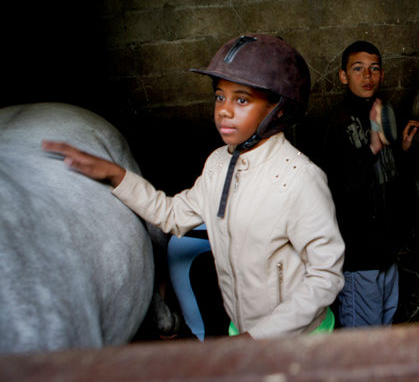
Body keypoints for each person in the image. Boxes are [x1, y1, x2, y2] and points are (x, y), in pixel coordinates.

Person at [43, 34, 345, 339]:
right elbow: (173, 215)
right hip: (242, 334)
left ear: (278, 108)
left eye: (241, 99)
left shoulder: (300, 177)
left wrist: (258, 338)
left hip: (299, 341)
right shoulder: (218, 163)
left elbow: (326, 276)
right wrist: (117, 175)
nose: (224, 110)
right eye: (219, 96)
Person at [319, 40, 419, 328]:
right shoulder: (335, 123)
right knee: (362, 332)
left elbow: (387, 177)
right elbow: (337, 187)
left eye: (374, 69)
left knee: (385, 321)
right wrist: (372, 148)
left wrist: (401, 149)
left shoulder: (381, 112)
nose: (367, 76)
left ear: (382, 75)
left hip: (386, 246)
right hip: (358, 253)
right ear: (343, 76)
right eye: (358, 69)